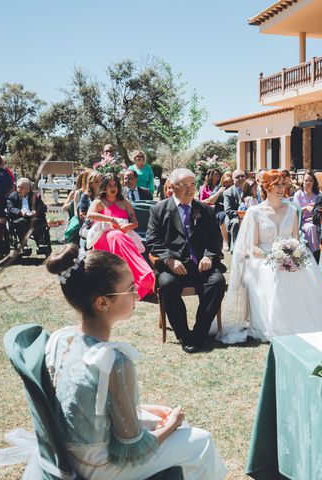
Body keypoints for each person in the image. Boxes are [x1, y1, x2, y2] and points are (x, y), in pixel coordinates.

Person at [43, 244, 227, 480]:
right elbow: (131, 449)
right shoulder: (114, 360)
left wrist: (143, 410)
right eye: (130, 289)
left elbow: (88, 401)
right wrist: (170, 425)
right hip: (101, 467)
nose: (138, 295)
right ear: (102, 303)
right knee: (201, 441)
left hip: (71, 455)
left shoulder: (61, 338)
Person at [218, 169, 322, 344]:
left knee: (305, 271)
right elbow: (253, 246)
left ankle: (303, 320)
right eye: (277, 185)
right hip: (262, 258)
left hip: (290, 254)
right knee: (274, 275)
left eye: (283, 184)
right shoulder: (255, 212)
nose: (281, 188)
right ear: (266, 187)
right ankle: (277, 324)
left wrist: (293, 255)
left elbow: (296, 240)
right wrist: (273, 256)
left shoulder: (291, 210)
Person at [146, 168, 227, 354]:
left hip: (200, 265)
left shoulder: (205, 210)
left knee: (217, 282)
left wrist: (208, 255)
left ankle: (199, 334)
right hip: (174, 266)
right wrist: (169, 260)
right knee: (167, 285)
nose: (190, 189)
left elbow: (216, 238)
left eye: (193, 184)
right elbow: (152, 240)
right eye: (184, 185)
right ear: (173, 186)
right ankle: (184, 335)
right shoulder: (159, 210)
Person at [87, 174, 154, 299]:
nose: (113, 188)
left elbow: (135, 223)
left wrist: (127, 227)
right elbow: (90, 215)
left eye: (115, 185)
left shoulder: (125, 202)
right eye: (109, 185)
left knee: (120, 236)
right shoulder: (99, 202)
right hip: (103, 237)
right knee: (116, 235)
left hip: (122, 235)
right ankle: (145, 274)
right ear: (104, 187)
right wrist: (111, 219)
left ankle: (139, 281)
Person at [7, 177, 51, 256]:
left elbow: (43, 207)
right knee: (22, 222)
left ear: (28, 189)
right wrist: (20, 212)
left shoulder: (34, 196)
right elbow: (10, 208)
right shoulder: (12, 196)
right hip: (20, 218)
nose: (19, 189)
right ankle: (24, 246)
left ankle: (41, 244)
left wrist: (36, 211)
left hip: (33, 218)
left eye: (21, 187)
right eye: (18, 187)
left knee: (35, 221)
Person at [223, 169, 246, 246]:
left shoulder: (252, 188)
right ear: (233, 180)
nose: (240, 178)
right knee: (236, 223)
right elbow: (228, 211)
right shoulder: (228, 192)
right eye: (237, 177)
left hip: (251, 216)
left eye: (242, 176)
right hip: (234, 218)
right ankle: (236, 248)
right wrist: (242, 216)